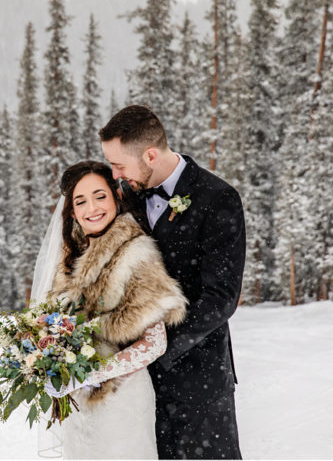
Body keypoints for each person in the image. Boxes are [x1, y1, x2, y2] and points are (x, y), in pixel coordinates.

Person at [100, 105, 246, 459]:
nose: (115, 174)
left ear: (150, 154)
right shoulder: (127, 195)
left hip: (198, 380)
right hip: (135, 389)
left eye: (119, 165)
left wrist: (156, 347)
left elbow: (221, 298)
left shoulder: (218, 199)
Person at [41, 160, 188, 459]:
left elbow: (154, 343)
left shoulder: (136, 252)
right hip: (78, 408)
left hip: (123, 402)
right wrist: (50, 366)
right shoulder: (69, 259)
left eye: (99, 196)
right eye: (80, 201)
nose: (92, 207)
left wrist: (92, 374)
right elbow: (54, 325)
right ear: (71, 210)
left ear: (115, 197)